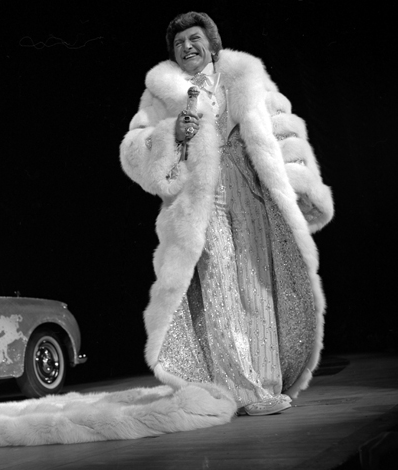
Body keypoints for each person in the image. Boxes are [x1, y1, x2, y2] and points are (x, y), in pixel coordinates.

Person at [120, 12, 334, 416]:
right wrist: (171, 135)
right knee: (219, 287)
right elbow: (135, 150)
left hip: (251, 186)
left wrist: (303, 188)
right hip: (202, 196)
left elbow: (284, 131)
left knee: (258, 286)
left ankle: (266, 384)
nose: (187, 46)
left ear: (212, 44)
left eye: (194, 38)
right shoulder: (160, 93)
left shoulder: (247, 77)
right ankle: (241, 390)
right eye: (179, 41)